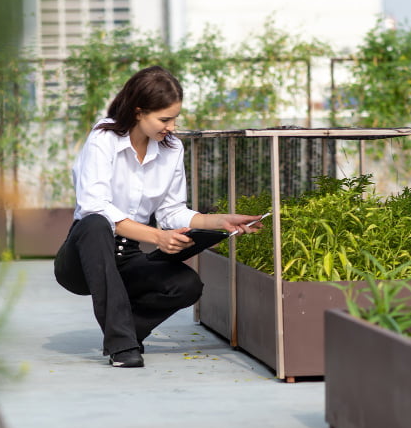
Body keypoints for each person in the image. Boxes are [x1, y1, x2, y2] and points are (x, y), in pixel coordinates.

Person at [54, 65, 263, 368]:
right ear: (139, 111)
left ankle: (124, 332)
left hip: (127, 254)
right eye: (165, 119)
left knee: (186, 286)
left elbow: (171, 212)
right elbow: (93, 205)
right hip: (83, 255)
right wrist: (157, 238)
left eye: (175, 117)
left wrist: (219, 221)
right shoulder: (104, 138)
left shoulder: (170, 148)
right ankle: (122, 345)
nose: (172, 126)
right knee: (96, 223)